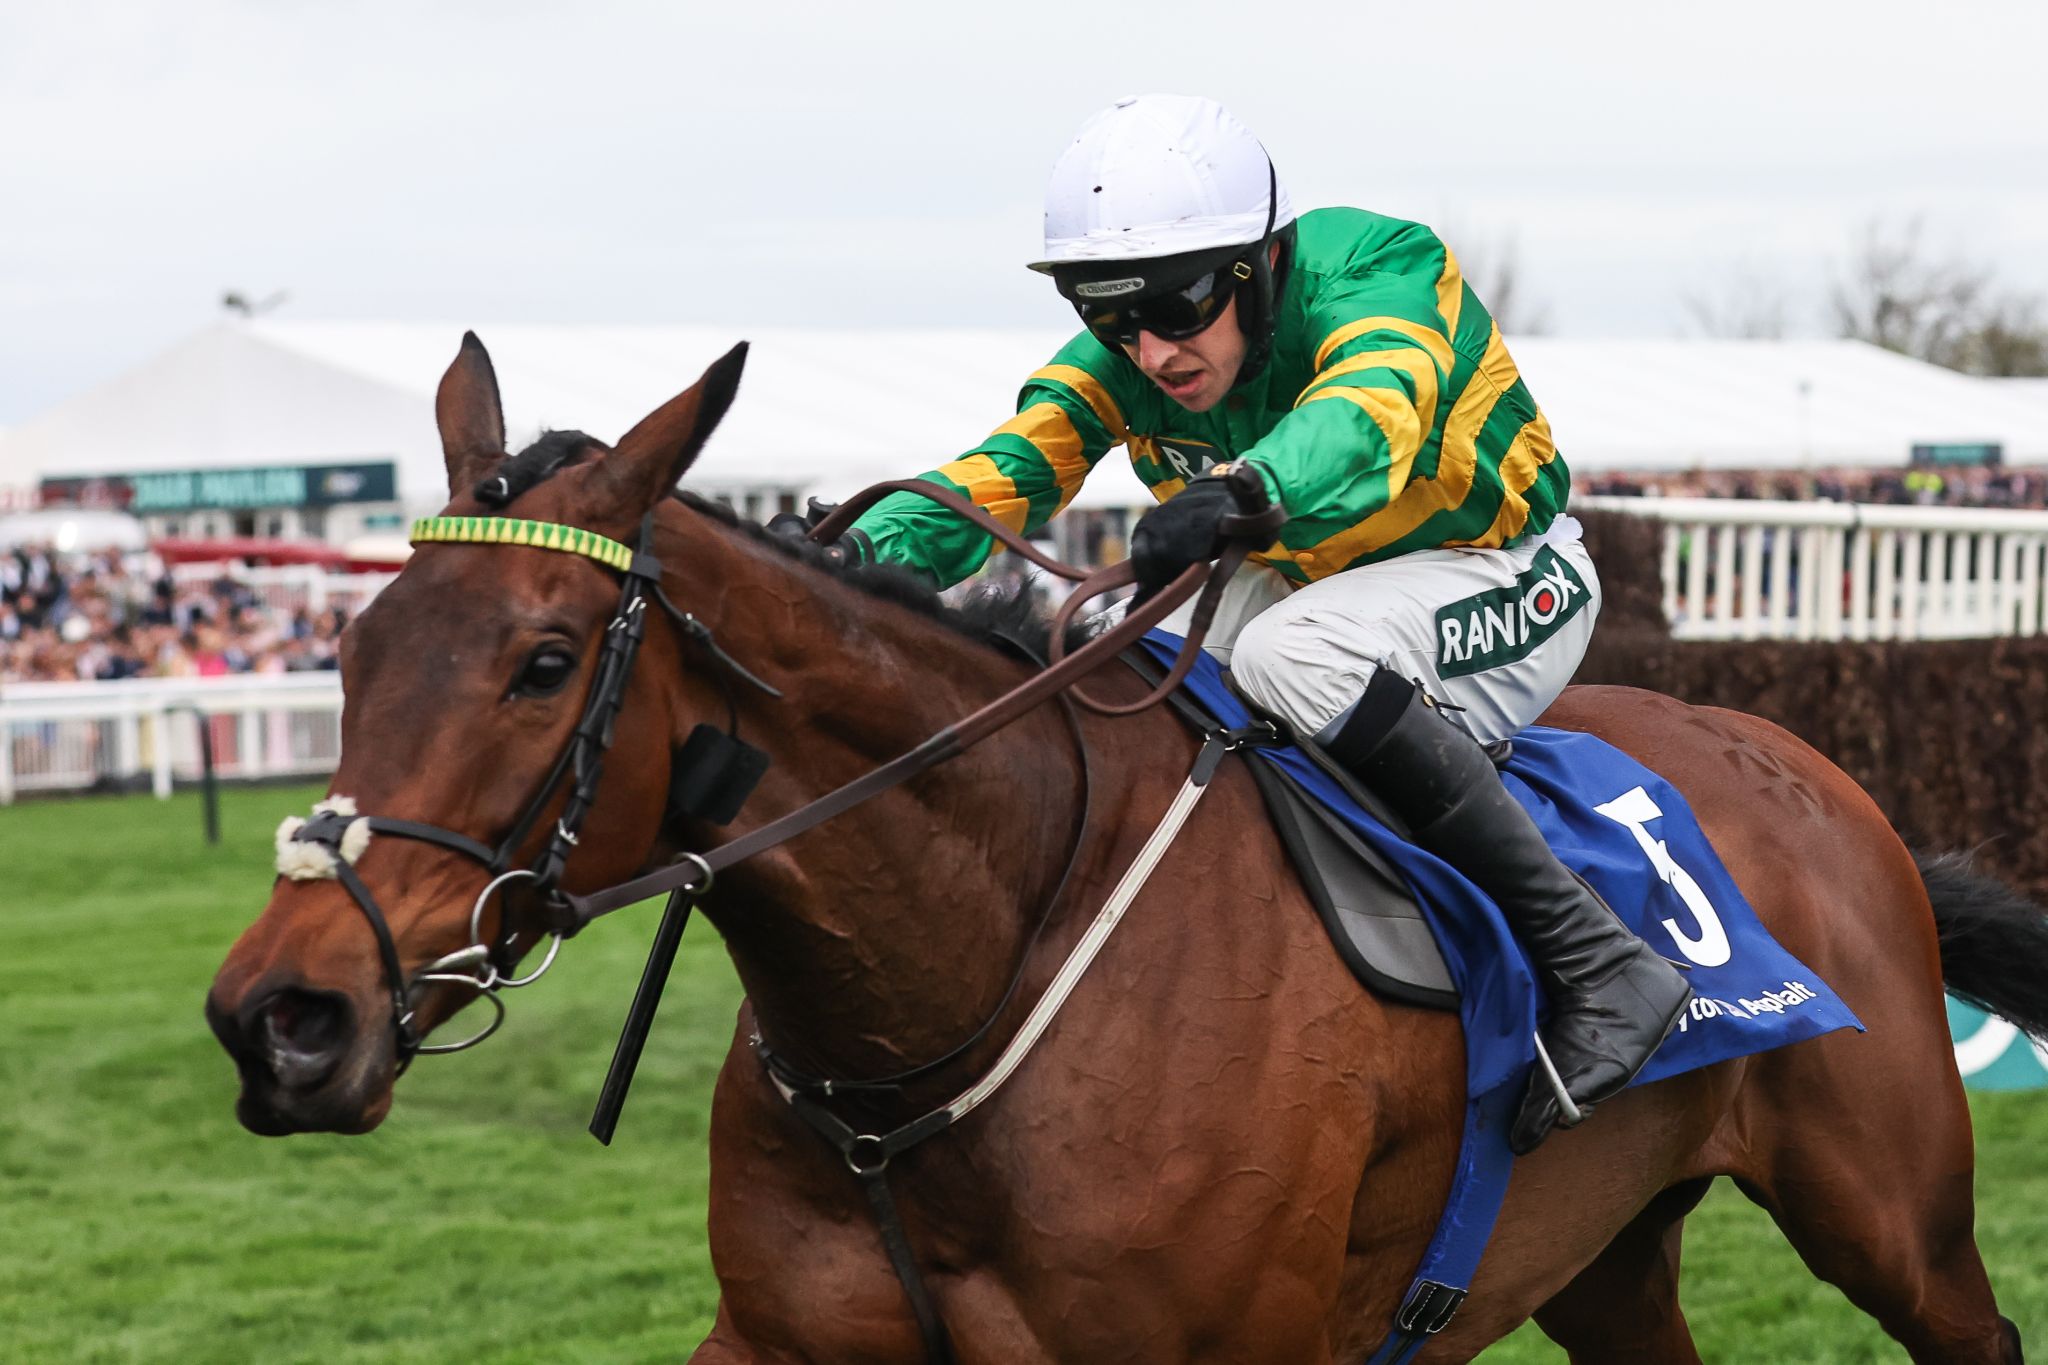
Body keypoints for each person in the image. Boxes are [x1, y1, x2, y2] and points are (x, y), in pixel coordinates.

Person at [836, 93, 1690, 1152]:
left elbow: (1370, 411)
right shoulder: (1134, 356)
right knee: (1112, 659)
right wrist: (855, 555)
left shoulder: (1378, 263)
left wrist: (1244, 488)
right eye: (1110, 318)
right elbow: (1008, 465)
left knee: (1294, 656)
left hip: (1500, 566)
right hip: (1312, 577)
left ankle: (1597, 961)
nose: (1149, 352)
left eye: (1178, 306)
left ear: (1255, 267)